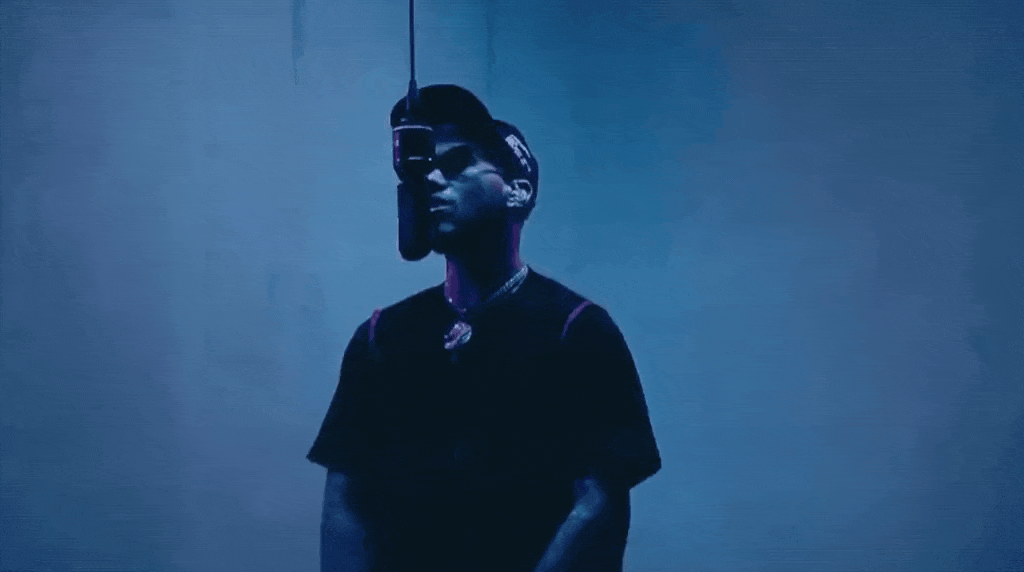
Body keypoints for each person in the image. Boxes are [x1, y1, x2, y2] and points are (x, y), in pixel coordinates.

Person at [307, 84, 661, 572]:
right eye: (423, 171)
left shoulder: (575, 330)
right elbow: (346, 497)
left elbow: (599, 503)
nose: (432, 180)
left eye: (456, 165)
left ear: (518, 189)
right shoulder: (381, 337)